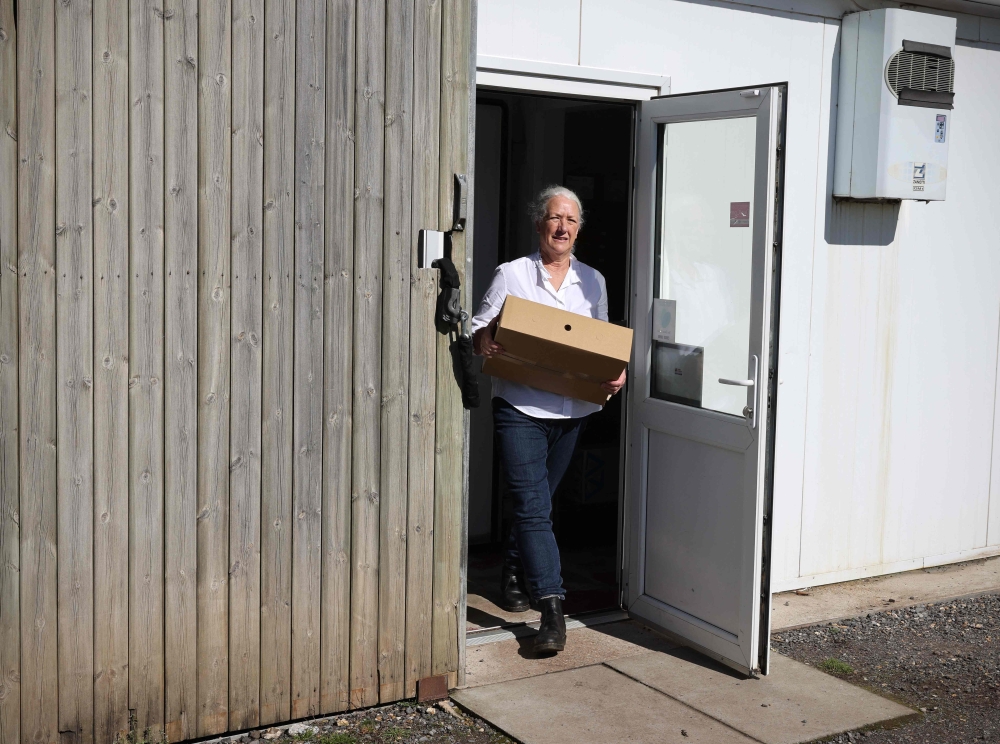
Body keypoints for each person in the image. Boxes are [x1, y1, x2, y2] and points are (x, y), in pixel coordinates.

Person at [471, 185, 627, 654]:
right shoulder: (511, 275)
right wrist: (487, 339)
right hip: (519, 407)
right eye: (554, 218)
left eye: (571, 221)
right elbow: (476, 329)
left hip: (572, 410)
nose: (562, 228)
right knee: (535, 508)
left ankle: (515, 569)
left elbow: (602, 340)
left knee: (537, 502)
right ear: (540, 224)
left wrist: (615, 372)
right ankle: (553, 609)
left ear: (578, 230)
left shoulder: (593, 281)